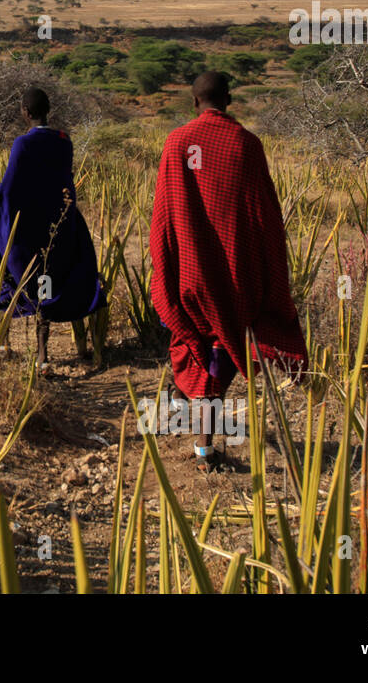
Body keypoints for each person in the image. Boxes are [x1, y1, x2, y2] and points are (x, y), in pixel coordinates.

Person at [149, 71, 308, 471]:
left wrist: (167, 262)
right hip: (236, 274)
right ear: (230, 99)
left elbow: (164, 217)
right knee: (220, 352)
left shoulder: (177, 143)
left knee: (199, 346)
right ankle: (204, 446)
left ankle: (195, 423)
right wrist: (268, 271)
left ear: (192, 101)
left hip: (190, 271)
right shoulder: (246, 144)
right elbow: (265, 216)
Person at [0, 87, 108, 368]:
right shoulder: (64, 141)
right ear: (49, 110)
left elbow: (9, 191)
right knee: (47, 279)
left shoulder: (23, 144)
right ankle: (43, 355)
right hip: (59, 222)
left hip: (29, 227)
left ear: (25, 112)